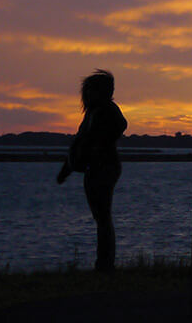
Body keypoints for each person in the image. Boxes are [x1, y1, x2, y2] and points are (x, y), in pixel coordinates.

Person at [57, 69, 128, 272]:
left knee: (103, 217)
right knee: (101, 217)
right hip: (95, 168)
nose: (87, 94)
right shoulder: (95, 112)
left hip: (104, 167)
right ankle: (104, 263)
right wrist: (68, 167)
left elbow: (118, 126)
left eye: (91, 90)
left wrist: (98, 143)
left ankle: (105, 264)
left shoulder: (105, 111)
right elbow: (82, 140)